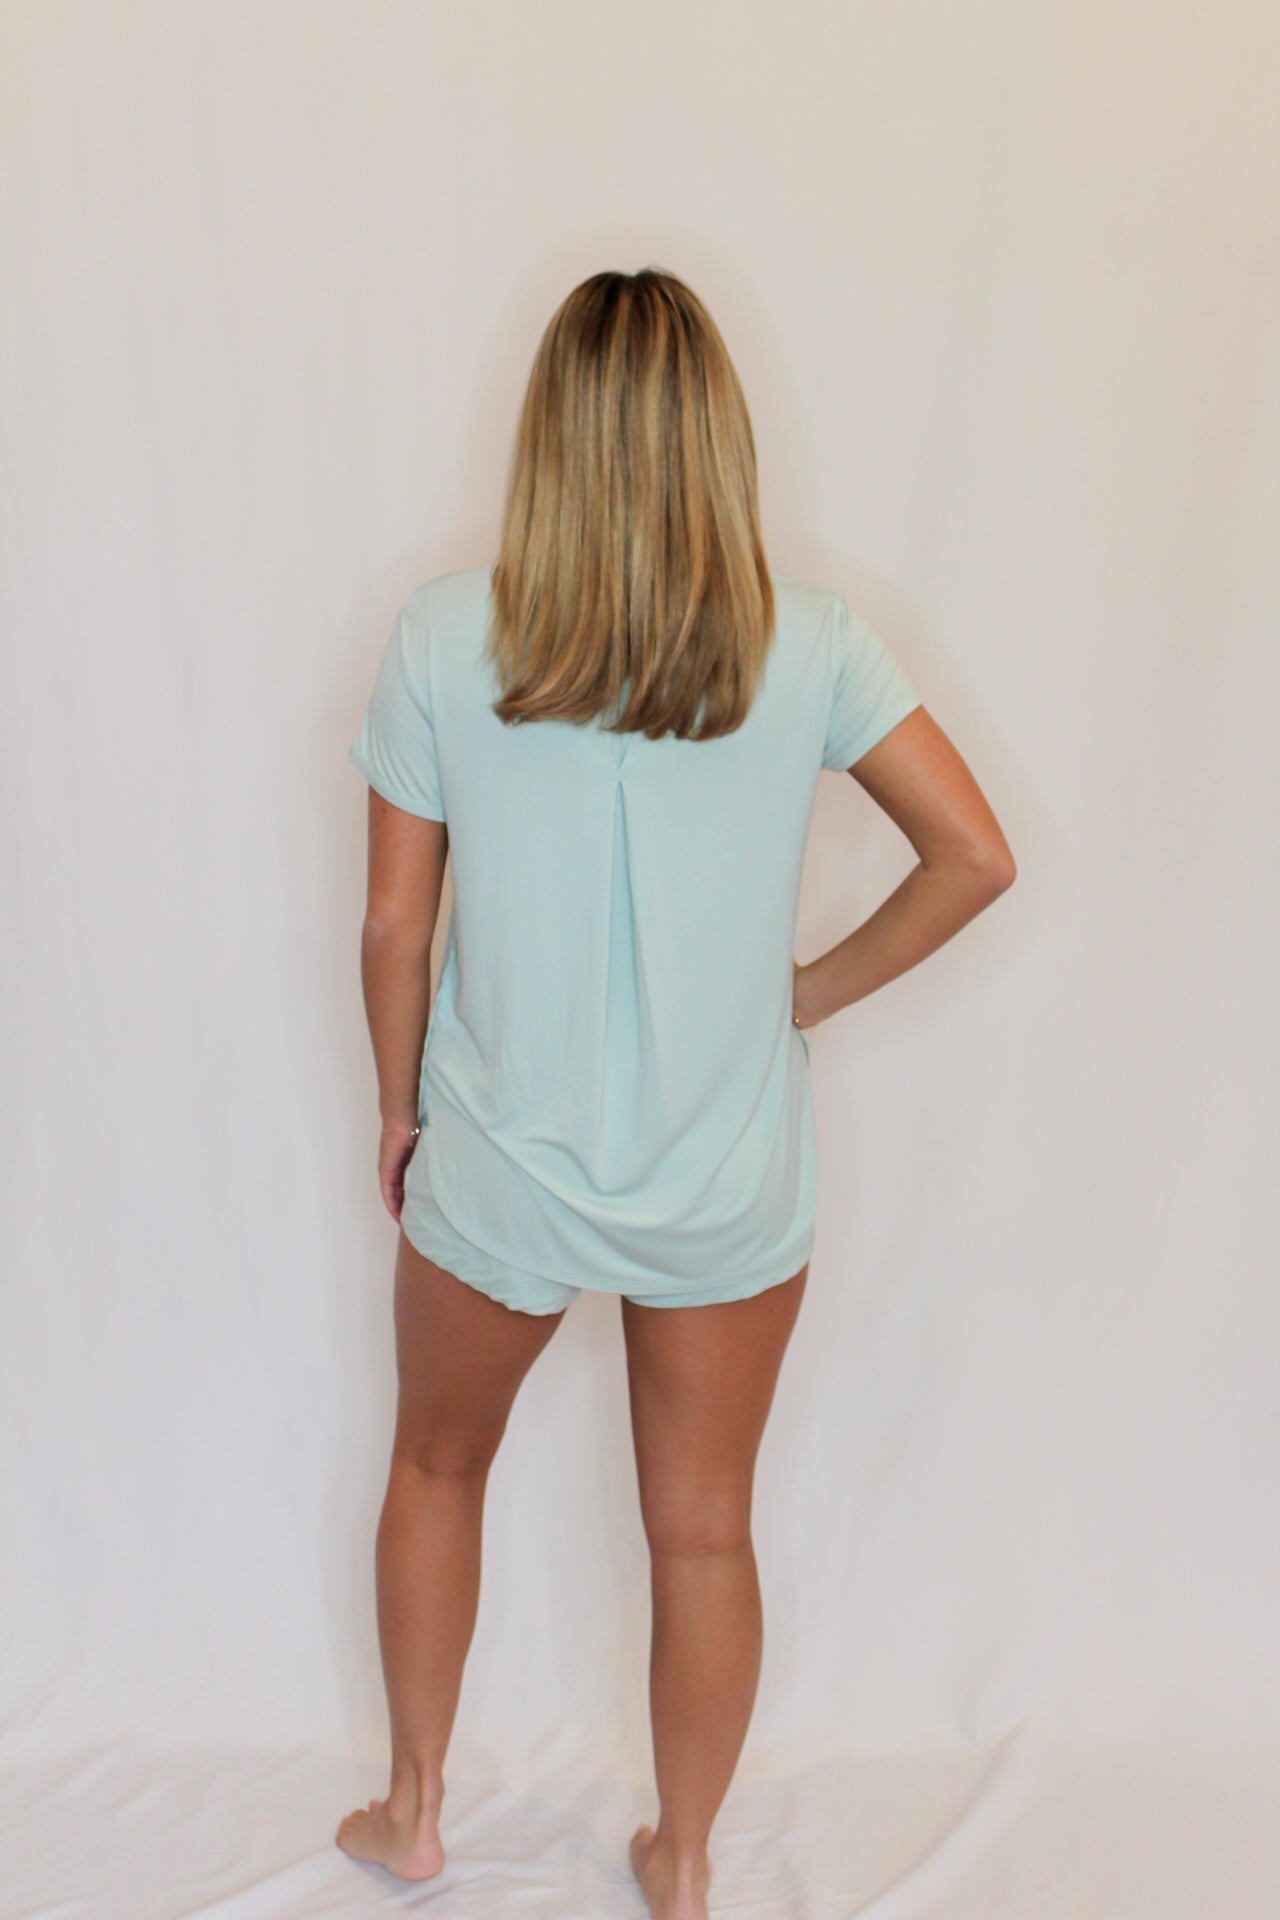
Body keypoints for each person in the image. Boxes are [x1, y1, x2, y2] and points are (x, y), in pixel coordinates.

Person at [335, 266, 1015, 1918]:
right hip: (725, 1169)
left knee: (435, 1465)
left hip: (500, 1160)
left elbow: (394, 926)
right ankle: (687, 1862)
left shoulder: (443, 635)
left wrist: (398, 1110)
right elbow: (976, 855)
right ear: (718, 437)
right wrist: (803, 997)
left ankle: (414, 1814)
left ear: (548, 435)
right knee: (703, 1531)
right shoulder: (811, 642)